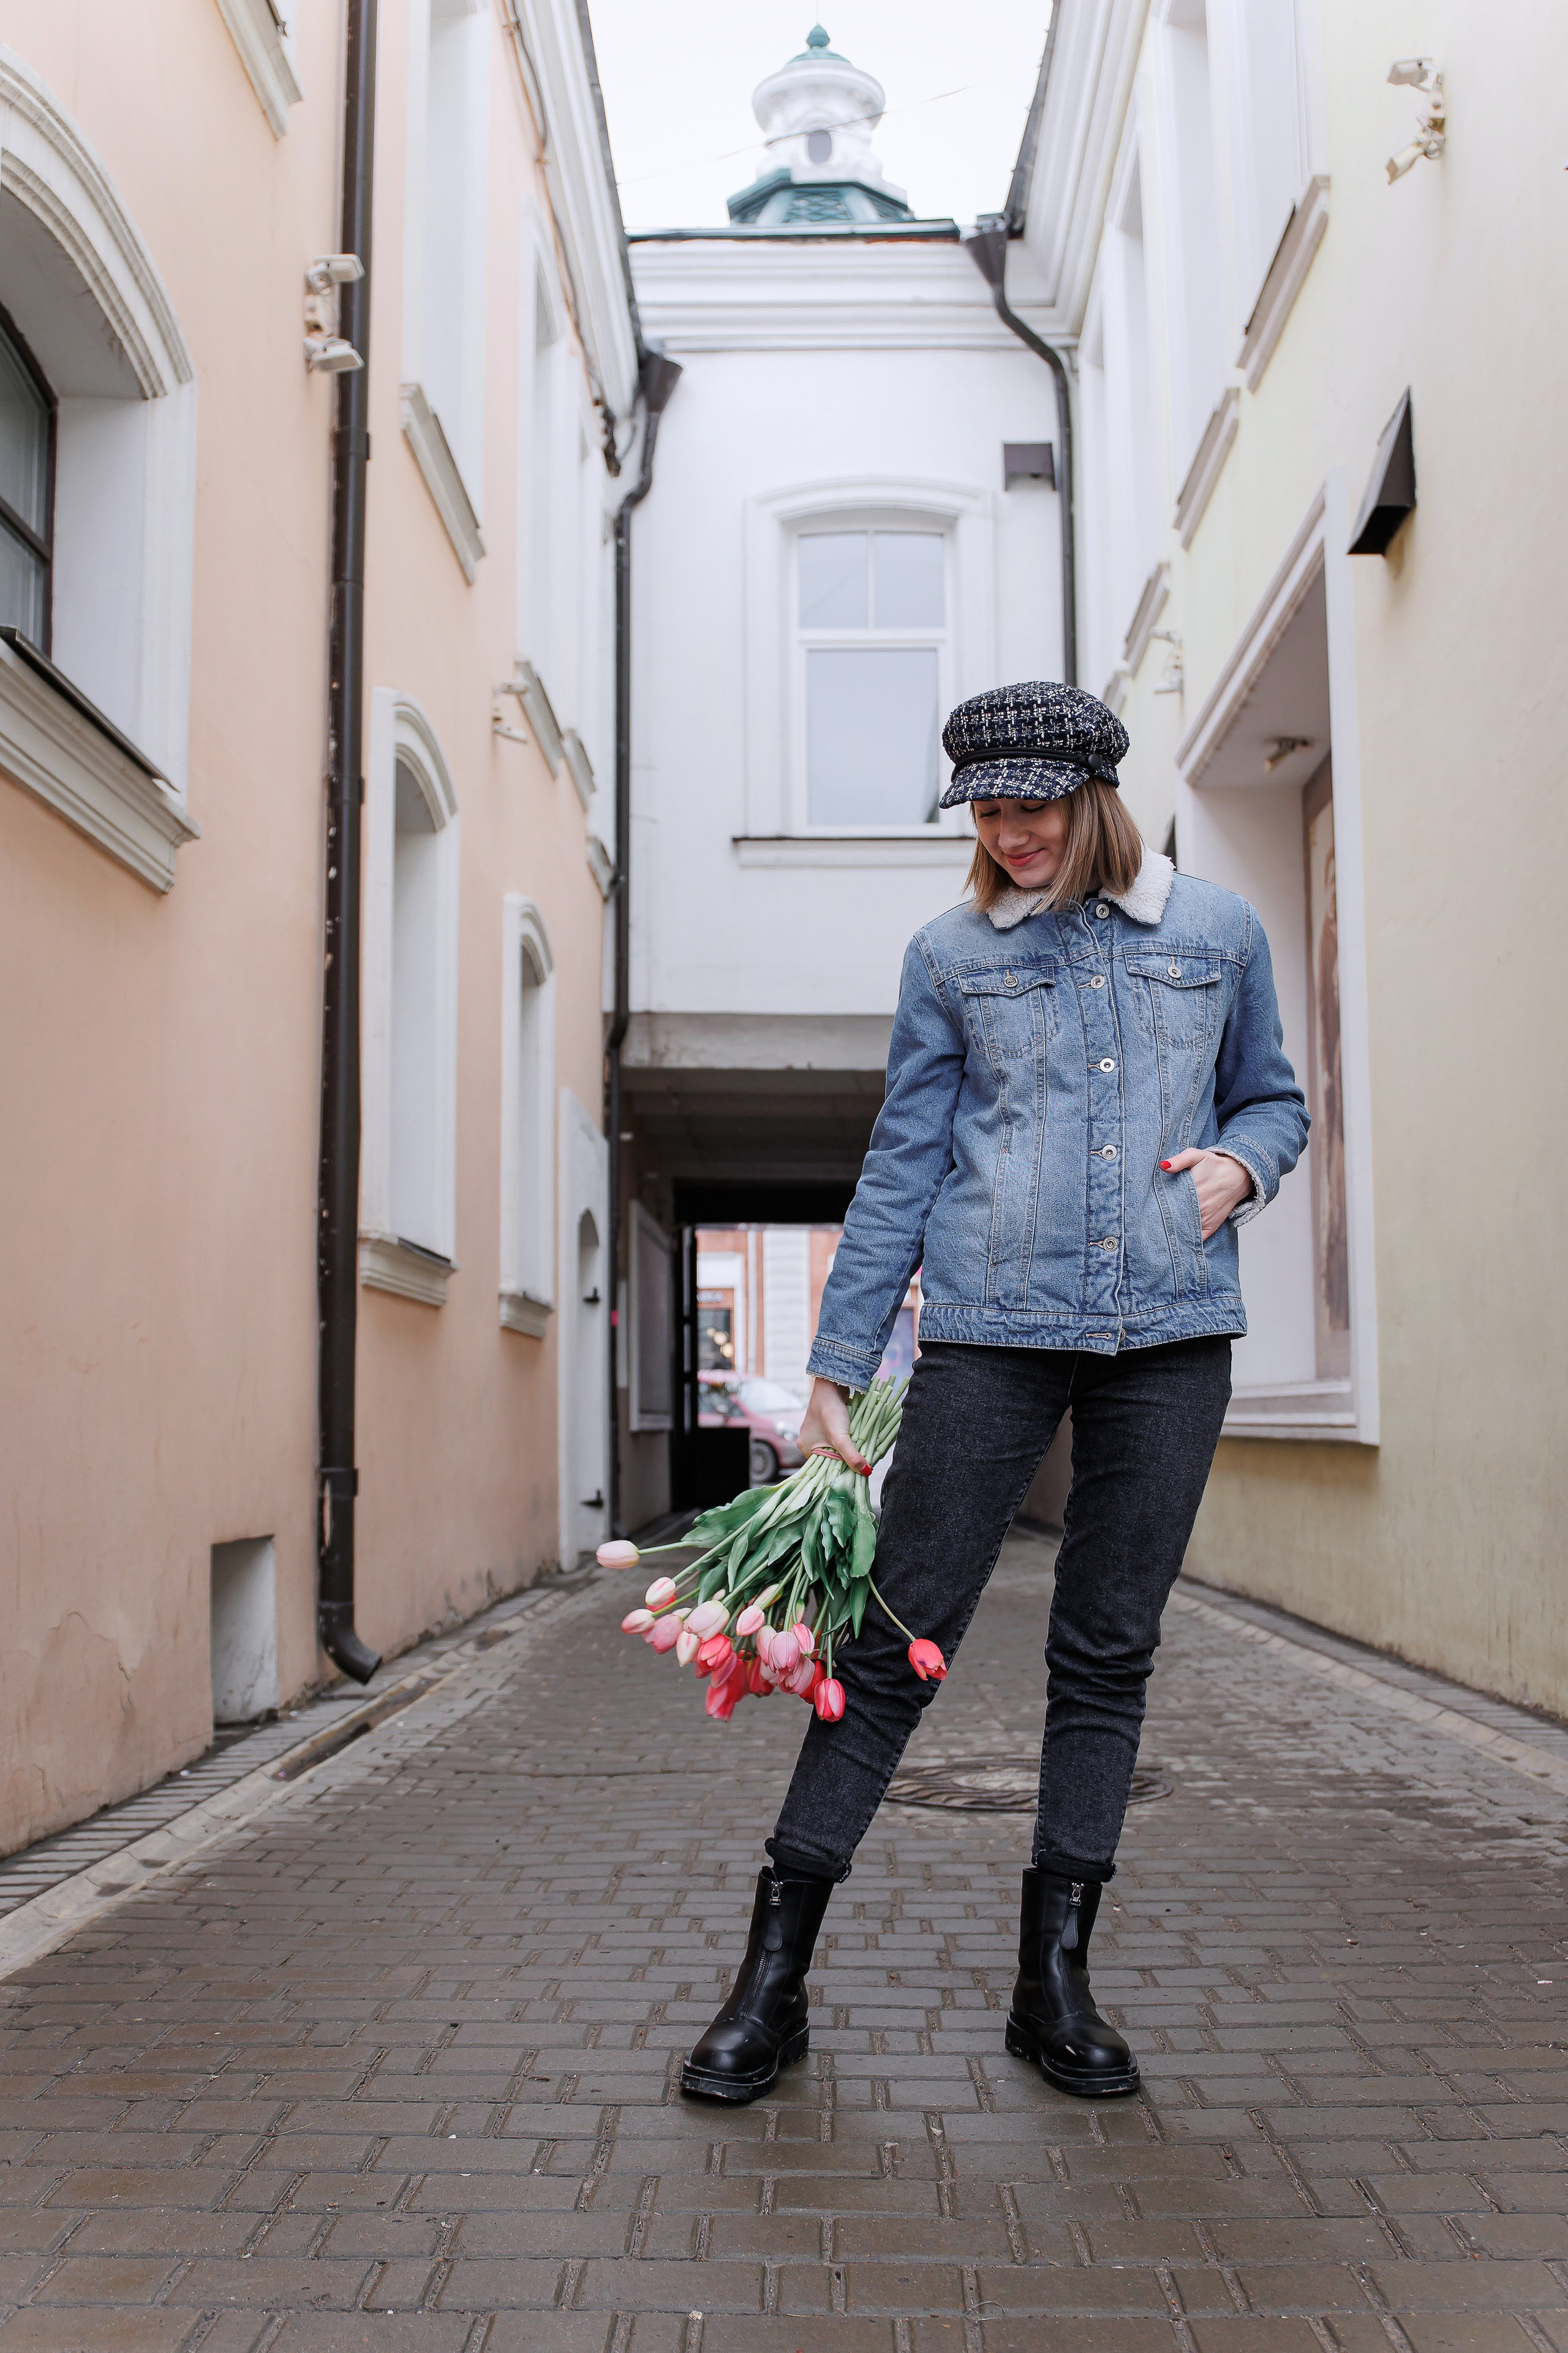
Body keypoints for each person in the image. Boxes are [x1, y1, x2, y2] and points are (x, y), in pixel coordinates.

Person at [680, 682, 1309, 2107]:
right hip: (987, 1332)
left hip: (1169, 1333)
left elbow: (1271, 1098)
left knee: (1105, 1648)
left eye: (1028, 801)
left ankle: (1054, 1980)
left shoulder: (1214, 934)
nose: (1002, 828)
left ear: (1091, 796)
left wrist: (1241, 1165)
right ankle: (770, 1980)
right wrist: (838, 1360)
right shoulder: (948, 956)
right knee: (892, 1633)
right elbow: (901, 1159)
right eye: (981, 804)